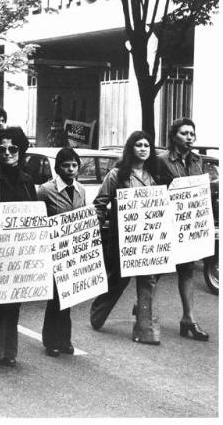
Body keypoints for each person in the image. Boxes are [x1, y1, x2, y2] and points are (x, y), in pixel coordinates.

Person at [89, 131, 162, 344]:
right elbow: (100, 203)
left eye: (147, 145)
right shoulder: (117, 175)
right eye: (138, 145)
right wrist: (93, 229)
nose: (143, 149)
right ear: (131, 149)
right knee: (119, 281)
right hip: (123, 240)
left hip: (147, 239)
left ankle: (145, 330)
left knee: (147, 280)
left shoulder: (154, 175)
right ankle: (98, 313)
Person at [0, 127, 36, 370]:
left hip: (21, 251)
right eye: (2, 149)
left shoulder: (27, 181)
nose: (7, 153)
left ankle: (9, 352)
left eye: (13, 149)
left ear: (21, 150)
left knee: (15, 301)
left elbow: (34, 215)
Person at [156, 117, 209, 341]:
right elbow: (155, 192)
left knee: (186, 270)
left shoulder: (198, 162)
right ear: (174, 136)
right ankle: (142, 304)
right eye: (184, 133)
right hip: (167, 225)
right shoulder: (162, 161)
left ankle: (189, 318)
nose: (189, 137)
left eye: (192, 133)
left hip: (189, 227)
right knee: (156, 269)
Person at [38, 147, 86, 356]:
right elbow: (37, 218)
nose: (70, 169)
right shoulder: (46, 190)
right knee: (56, 296)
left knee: (69, 295)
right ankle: (51, 341)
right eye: (66, 165)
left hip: (72, 250)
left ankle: (65, 339)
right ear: (58, 168)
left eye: (74, 165)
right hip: (53, 247)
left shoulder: (81, 190)